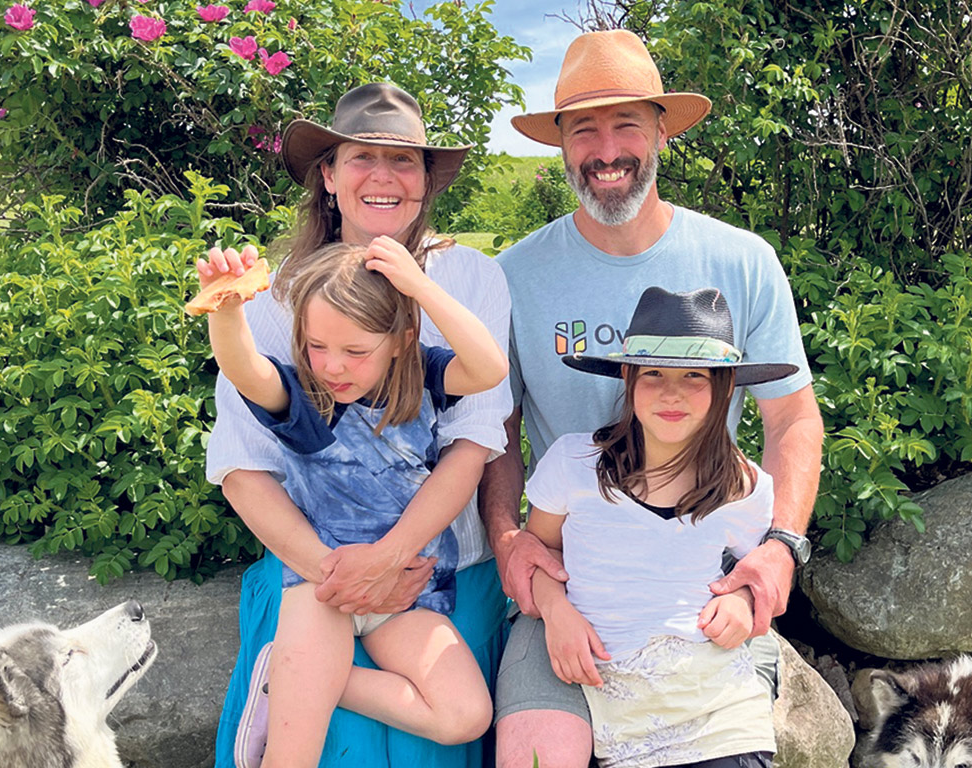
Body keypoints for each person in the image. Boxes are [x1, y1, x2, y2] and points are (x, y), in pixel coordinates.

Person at [479, 30, 826, 767]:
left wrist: (780, 548)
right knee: (537, 750)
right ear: (561, 146)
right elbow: (494, 427)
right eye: (584, 130)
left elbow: (792, 415)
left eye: (627, 124)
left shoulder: (742, 260)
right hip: (563, 591)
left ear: (663, 130)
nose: (606, 150)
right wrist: (512, 542)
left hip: (700, 580)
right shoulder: (513, 276)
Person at [208, 82, 513, 768]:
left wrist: (391, 560)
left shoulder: (466, 285)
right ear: (328, 174)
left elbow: (476, 435)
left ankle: (295, 677)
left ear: (427, 181)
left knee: (459, 717)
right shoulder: (279, 304)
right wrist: (340, 573)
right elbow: (242, 458)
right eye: (360, 157)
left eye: (403, 160)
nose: (382, 176)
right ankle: (294, 679)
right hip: (317, 574)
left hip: (430, 576)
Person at [530, 286, 796, 768]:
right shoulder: (573, 462)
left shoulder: (746, 487)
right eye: (653, 373)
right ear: (628, 379)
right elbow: (536, 552)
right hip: (614, 697)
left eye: (694, 375)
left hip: (718, 708)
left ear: (723, 387)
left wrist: (740, 600)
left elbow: (752, 575)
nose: (672, 393)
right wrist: (555, 610)